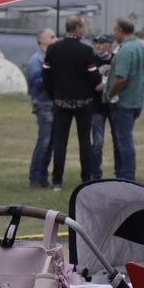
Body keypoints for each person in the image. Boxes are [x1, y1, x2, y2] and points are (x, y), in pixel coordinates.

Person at [45, 15, 102, 188]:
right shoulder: (85, 51)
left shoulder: (53, 49)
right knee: (85, 141)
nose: (83, 30)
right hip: (83, 102)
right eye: (82, 27)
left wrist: (53, 95)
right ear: (77, 28)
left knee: (60, 141)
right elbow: (94, 77)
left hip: (61, 102)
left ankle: (57, 180)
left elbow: (46, 76)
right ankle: (86, 178)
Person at [105, 17, 144, 181]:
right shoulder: (141, 46)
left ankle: (127, 175)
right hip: (137, 100)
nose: (113, 33)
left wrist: (110, 94)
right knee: (125, 138)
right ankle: (125, 173)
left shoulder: (125, 50)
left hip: (124, 101)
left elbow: (121, 78)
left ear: (121, 31)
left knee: (124, 140)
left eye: (115, 30)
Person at [25, 28, 57, 189]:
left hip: (54, 104)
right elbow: (36, 84)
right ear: (42, 40)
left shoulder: (53, 57)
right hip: (43, 105)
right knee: (43, 142)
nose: (55, 39)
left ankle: (43, 176)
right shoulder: (36, 60)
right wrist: (50, 71)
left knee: (51, 143)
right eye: (52, 37)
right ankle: (35, 177)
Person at [87, 33, 117, 166]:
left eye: (101, 43)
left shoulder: (117, 60)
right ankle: (96, 173)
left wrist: (108, 86)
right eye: (96, 43)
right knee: (98, 142)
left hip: (115, 106)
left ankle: (120, 172)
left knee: (118, 140)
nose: (97, 46)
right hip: (97, 106)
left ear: (110, 46)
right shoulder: (92, 60)